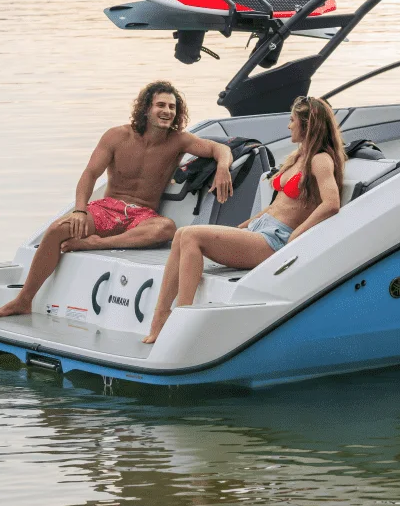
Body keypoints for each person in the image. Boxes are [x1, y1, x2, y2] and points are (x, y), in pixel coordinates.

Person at [0, 81, 234, 318]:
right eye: (161, 105)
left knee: (166, 228)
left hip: (142, 216)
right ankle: (24, 300)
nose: (167, 111)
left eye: (172, 107)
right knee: (56, 230)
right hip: (107, 208)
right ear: (146, 108)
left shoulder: (179, 140)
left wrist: (223, 168)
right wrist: (80, 210)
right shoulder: (117, 136)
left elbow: (220, 149)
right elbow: (90, 174)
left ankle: (94, 244)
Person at [143, 95, 345, 343]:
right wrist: (254, 220)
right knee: (181, 235)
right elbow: (281, 202)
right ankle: (161, 316)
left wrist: (296, 235)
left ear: (308, 124)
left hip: (276, 240)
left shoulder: (320, 159)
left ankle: (181, 321)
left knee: (192, 236)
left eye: (293, 120)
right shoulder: (298, 156)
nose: (289, 125)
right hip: (260, 229)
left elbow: (331, 203)